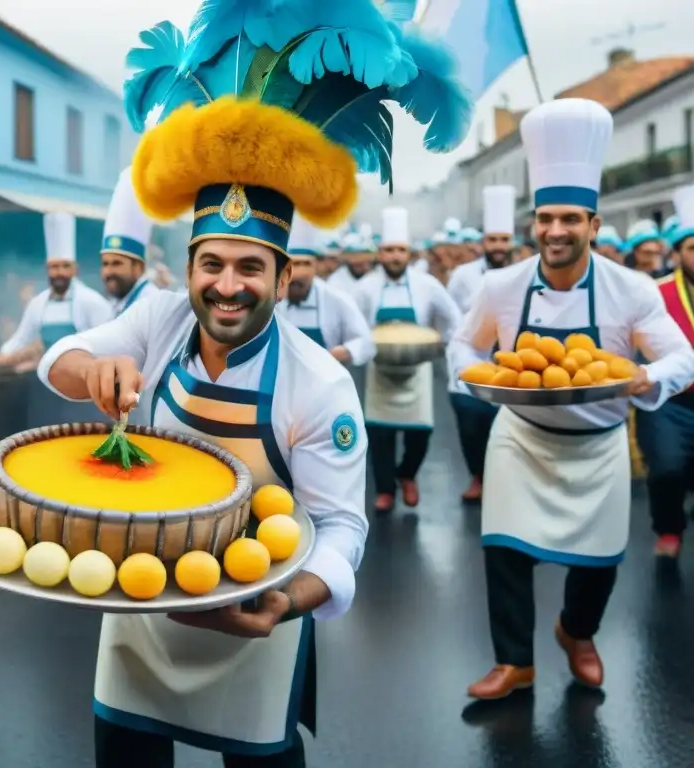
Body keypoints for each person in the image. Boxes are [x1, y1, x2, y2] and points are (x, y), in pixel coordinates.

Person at [39, 4, 470, 763]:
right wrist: (93, 368)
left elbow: (342, 529)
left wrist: (285, 601)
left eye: (249, 267)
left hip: (254, 610)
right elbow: (61, 358)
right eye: (212, 263)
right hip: (137, 605)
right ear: (192, 266)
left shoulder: (317, 384)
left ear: (285, 275)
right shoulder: (161, 318)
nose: (226, 286)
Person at [448, 99, 694, 699]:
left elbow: (681, 356)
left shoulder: (631, 289)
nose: (555, 231)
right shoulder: (501, 287)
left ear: (594, 225)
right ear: (535, 224)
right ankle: (514, 663)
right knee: (503, 550)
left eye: (570, 219)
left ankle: (576, 633)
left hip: (599, 444)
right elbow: (462, 341)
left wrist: (645, 379)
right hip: (522, 440)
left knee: (600, 561)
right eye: (545, 219)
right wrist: (479, 376)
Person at [354, 207, 461, 513]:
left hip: (418, 368)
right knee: (379, 433)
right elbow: (356, 327)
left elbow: (453, 318)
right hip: (380, 369)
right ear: (380, 253)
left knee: (420, 432)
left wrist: (442, 344)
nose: (395, 256)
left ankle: (407, 475)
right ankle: (386, 489)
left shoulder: (427, 285)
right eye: (389, 250)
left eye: (400, 250)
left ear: (409, 253)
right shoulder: (365, 289)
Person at [635, 184, 694, 559]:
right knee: (667, 468)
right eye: (692, 248)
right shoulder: (654, 293)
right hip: (668, 401)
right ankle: (669, 528)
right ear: (676, 254)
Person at [445, 186, 515, 502]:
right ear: (482, 243)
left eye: (504, 240)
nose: (498, 247)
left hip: (514, 369)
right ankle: (478, 476)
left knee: (508, 430)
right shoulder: (462, 276)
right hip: (471, 363)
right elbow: (451, 319)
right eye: (492, 240)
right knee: (472, 424)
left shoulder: (524, 273)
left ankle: (503, 482)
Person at [0, 212, 113, 370]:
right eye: (54, 267)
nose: (59, 272)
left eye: (65, 266)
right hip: (50, 380)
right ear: (47, 269)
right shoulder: (38, 304)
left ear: (75, 269)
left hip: (85, 381)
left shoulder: (92, 302)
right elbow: (20, 339)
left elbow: (108, 345)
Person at [276, 213, 376, 366]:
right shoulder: (270, 299)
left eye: (305, 264)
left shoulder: (336, 299)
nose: (299, 274)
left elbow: (366, 342)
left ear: (315, 266)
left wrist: (345, 351)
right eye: (293, 265)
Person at [101, 166, 159, 315]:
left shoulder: (153, 305)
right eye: (105, 264)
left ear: (138, 267)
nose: (109, 271)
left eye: (117, 263)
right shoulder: (114, 305)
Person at [325, 231, 376, 301]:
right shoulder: (335, 283)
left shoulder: (376, 278)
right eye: (355, 255)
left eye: (363, 254)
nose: (359, 260)